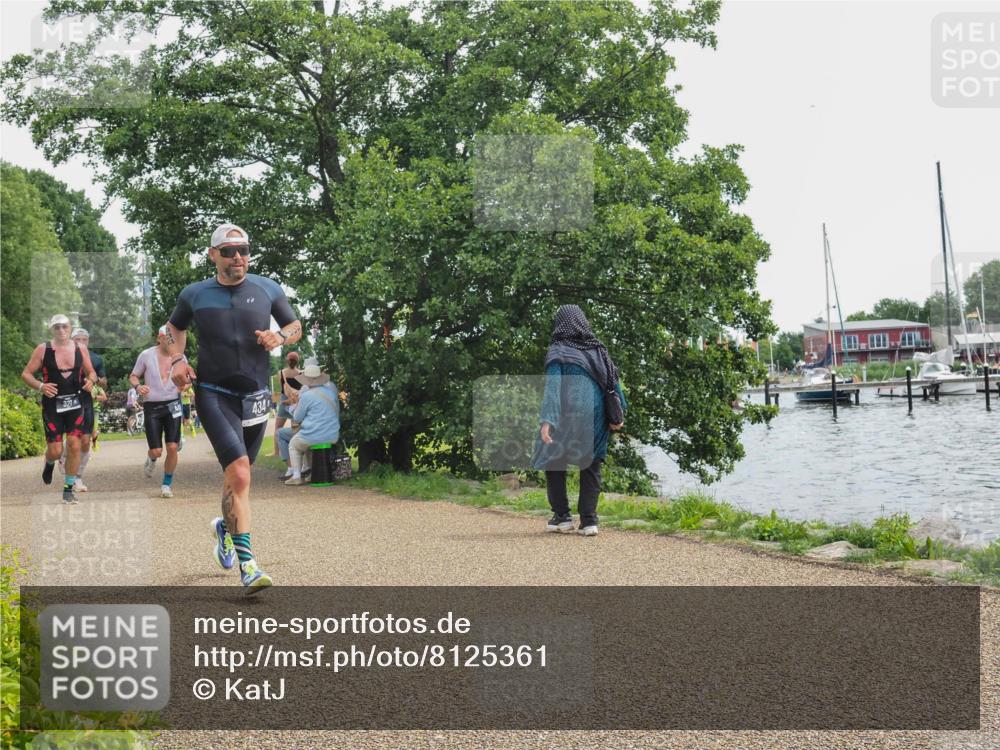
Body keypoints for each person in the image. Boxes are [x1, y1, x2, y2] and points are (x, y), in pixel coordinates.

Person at [166, 223, 301, 595]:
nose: (238, 257)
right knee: (241, 475)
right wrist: (178, 359)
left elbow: (294, 325)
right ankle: (250, 567)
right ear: (213, 255)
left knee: (236, 479)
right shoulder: (195, 294)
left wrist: (280, 336)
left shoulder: (267, 288)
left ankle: (225, 528)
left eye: (243, 249)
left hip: (256, 396)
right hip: (214, 392)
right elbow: (170, 329)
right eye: (228, 251)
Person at [531, 305, 626, 537]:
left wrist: (547, 421)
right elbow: (613, 383)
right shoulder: (598, 350)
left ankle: (562, 517)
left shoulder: (558, 351)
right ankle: (589, 521)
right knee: (591, 465)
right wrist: (619, 413)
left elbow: (553, 389)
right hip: (596, 415)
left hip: (567, 415)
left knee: (554, 462)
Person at [21, 314, 99, 504]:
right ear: (52, 330)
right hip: (52, 406)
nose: (61, 330)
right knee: (55, 451)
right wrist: (40, 386)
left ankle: (68, 489)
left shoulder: (80, 348)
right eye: (57, 327)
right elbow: (26, 374)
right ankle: (49, 462)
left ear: (70, 328)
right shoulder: (43, 349)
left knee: (74, 445)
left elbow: (92, 372)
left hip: (76, 403)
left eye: (64, 326)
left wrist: (90, 381)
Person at [130, 325, 184, 498]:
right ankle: (152, 459)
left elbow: (188, 378)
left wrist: (185, 384)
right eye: (166, 338)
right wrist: (138, 387)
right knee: (156, 451)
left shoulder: (180, 357)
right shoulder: (146, 355)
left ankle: (167, 484)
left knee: (173, 447)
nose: (170, 341)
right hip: (152, 406)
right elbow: (133, 375)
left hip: (173, 405)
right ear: (159, 338)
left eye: (172, 338)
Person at [276, 357, 341, 485]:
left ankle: (296, 476)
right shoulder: (330, 391)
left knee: (294, 445)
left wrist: (291, 407)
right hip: (333, 434)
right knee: (306, 440)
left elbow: (298, 417)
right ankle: (312, 472)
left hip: (315, 434)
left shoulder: (307, 395)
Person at [61, 328, 107, 491]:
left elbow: (104, 381)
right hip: (68, 402)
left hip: (86, 402)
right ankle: (64, 460)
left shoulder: (95, 359)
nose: (81, 342)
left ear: (88, 341)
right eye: (77, 339)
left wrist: (94, 381)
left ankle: (78, 476)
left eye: (84, 339)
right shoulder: (64, 356)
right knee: (73, 439)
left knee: (86, 442)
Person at [270, 351, 302, 456]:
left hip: (285, 402)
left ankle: (276, 452)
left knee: (278, 428)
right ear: (297, 361)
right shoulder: (301, 373)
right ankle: (295, 451)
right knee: (295, 429)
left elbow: (281, 386)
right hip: (296, 403)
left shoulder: (281, 373)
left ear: (288, 361)